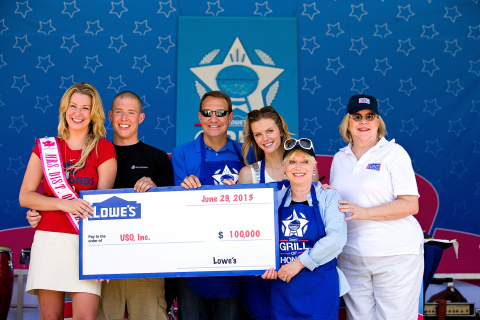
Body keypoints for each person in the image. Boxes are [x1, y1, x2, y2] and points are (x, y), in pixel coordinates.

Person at [27, 91, 174, 320]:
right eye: (119, 112)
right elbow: (29, 196)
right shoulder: (56, 148)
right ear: (109, 115)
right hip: (73, 243)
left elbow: (167, 211)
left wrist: (153, 192)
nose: (124, 118)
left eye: (131, 113)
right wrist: (47, 208)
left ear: (141, 117)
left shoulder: (143, 156)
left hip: (121, 253)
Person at [19, 82, 117, 319]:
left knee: (85, 317)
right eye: (73, 106)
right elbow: (25, 196)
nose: (78, 113)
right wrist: (63, 204)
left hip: (85, 243)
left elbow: (102, 205)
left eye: (85, 108)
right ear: (65, 109)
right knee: (50, 317)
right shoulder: (45, 148)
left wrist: (101, 252)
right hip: (49, 240)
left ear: (94, 114)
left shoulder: (103, 149)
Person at [330, 94, 423, 320]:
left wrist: (365, 212)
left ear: (378, 122)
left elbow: (411, 205)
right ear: (348, 122)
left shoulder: (394, 153)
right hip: (351, 257)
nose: (364, 121)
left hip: (395, 255)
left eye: (370, 116)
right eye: (357, 116)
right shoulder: (339, 158)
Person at [171, 90, 254, 320]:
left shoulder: (246, 153)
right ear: (200, 116)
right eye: (208, 113)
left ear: (230, 117)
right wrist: (183, 189)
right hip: (193, 254)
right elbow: (176, 208)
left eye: (220, 113)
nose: (213, 119)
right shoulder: (182, 154)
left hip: (234, 254)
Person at [259, 138, 349, 320]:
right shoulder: (273, 199)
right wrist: (262, 264)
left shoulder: (328, 196)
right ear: (284, 167)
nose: (298, 167)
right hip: (284, 290)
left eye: (305, 161)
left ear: (314, 166)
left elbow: (336, 239)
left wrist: (299, 263)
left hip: (319, 290)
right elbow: (259, 238)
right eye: (292, 161)